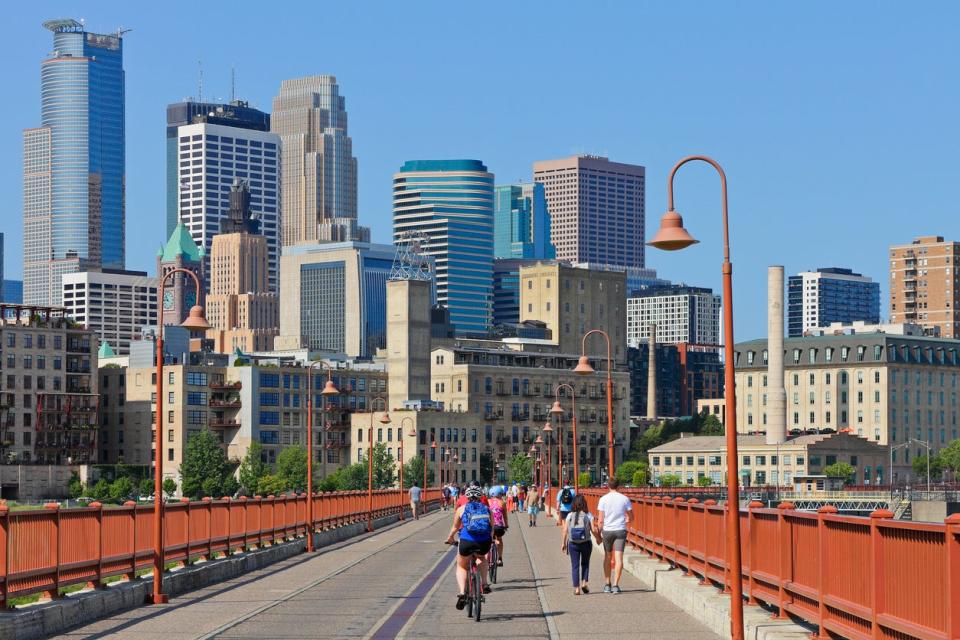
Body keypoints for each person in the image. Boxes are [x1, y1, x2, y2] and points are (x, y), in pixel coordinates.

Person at [445, 485, 493, 609]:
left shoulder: (461, 509)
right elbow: (491, 528)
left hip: (467, 541)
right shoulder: (487, 509)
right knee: (481, 558)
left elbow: (455, 527)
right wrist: (490, 539)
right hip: (483, 542)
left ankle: (462, 592)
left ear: (467, 497)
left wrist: (450, 538)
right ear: (480, 496)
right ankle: (484, 583)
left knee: (461, 566)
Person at [597, 478, 633, 594]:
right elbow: (631, 517)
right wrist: (627, 519)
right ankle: (616, 585)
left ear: (608, 486)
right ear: (619, 486)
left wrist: (598, 533)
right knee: (619, 559)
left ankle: (607, 584)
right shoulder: (625, 499)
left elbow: (601, 520)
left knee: (607, 557)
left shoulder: (603, 499)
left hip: (607, 530)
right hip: (620, 530)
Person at [561, 494, 601, 595]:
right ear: (584, 503)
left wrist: (563, 543)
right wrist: (598, 538)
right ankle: (584, 583)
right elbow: (593, 530)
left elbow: (565, 530)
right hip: (586, 543)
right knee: (585, 564)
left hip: (573, 543)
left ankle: (577, 589)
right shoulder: (589, 515)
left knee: (575, 566)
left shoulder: (570, 515)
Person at [488, 485, 508, 565]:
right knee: (499, 539)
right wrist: (506, 525)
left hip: (489, 527)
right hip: (499, 527)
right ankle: (500, 558)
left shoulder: (488, 501)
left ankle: (488, 559)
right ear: (500, 494)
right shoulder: (502, 503)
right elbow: (505, 516)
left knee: (487, 540)